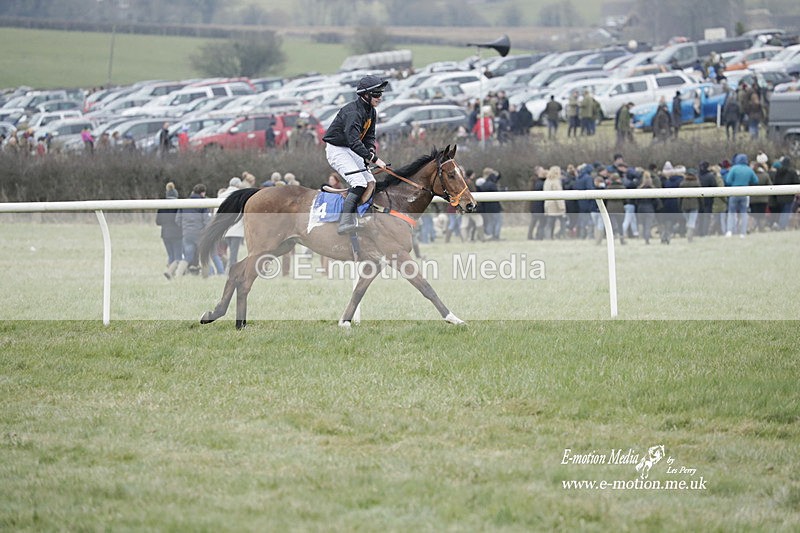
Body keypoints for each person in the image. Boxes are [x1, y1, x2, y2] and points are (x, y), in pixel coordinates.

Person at [322, 74, 388, 234]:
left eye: (381, 94)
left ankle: (363, 215)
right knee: (359, 183)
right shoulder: (353, 112)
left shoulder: (371, 111)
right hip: (337, 149)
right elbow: (354, 141)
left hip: (351, 149)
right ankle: (345, 222)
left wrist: (371, 150)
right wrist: (374, 159)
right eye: (377, 94)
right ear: (366, 94)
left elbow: (369, 137)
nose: (380, 97)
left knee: (370, 182)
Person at [174, 183, 211, 276]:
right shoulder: (203, 204)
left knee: (188, 256)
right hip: (200, 233)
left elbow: (177, 219)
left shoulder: (184, 203)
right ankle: (205, 277)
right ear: (202, 193)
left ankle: (178, 274)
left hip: (187, 233)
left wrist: (185, 227)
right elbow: (207, 220)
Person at [725, 153, 759, 238]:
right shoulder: (749, 169)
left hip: (734, 192)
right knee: (744, 213)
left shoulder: (734, 168)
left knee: (731, 212)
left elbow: (728, 180)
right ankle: (742, 233)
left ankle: (730, 231)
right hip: (745, 193)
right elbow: (755, 180)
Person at [155, 182, 183, 279]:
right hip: (177, 234)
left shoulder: (162, 205)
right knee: (178, 257)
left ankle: (171, 274)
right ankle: (170, 273)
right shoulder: (179, 205)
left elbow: (158, 221)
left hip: (165, 234)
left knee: (171, 255)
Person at [218, 177, 245, 271]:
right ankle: (229, 273)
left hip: (224, 229)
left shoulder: (221, 195)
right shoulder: (241, 195)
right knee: (233, 254)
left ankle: (230, 271)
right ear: (238, 185)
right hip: (236, 230)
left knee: (229, 253)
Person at [771, 156, 800, 230]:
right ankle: (782, 226)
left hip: (779, 195)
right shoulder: (792, 172)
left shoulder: (778, 171)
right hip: (788, 195)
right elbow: (796, 183)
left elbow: (775, 183)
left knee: (782, 211)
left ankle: (779, 225)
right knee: (786, 212)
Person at [543, 166, 566, 239]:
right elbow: (558, 196)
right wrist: (562, 207)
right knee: (562, 221)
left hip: (548, 204)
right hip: (555, 205)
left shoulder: (547, 181)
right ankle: (562, 236)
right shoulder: (556, 182)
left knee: (550, 222)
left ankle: (549, 236)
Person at [679, 171, 701, 242]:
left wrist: (679, 205)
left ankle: (689, 234)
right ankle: (690, 236)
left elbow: (680, 197)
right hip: (694, 205)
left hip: (684, 205)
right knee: (692, 221)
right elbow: (700, 196)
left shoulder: (682, 184)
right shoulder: (697, 184)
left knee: (688, 221)